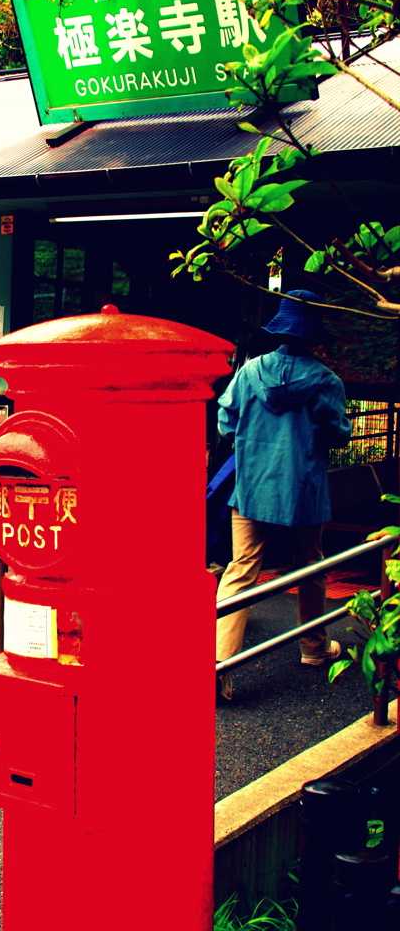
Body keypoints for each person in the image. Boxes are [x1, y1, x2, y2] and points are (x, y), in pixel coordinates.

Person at [215, 290, 352, 701]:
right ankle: (313, 649)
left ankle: (219, 665)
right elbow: (339, 434)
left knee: (241, 570)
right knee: (311, 567)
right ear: (312, 337)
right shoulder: (327, 381)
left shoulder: (251, 372)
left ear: (280, 332)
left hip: (252, 488)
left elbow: (226, 423)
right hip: (303, 491)